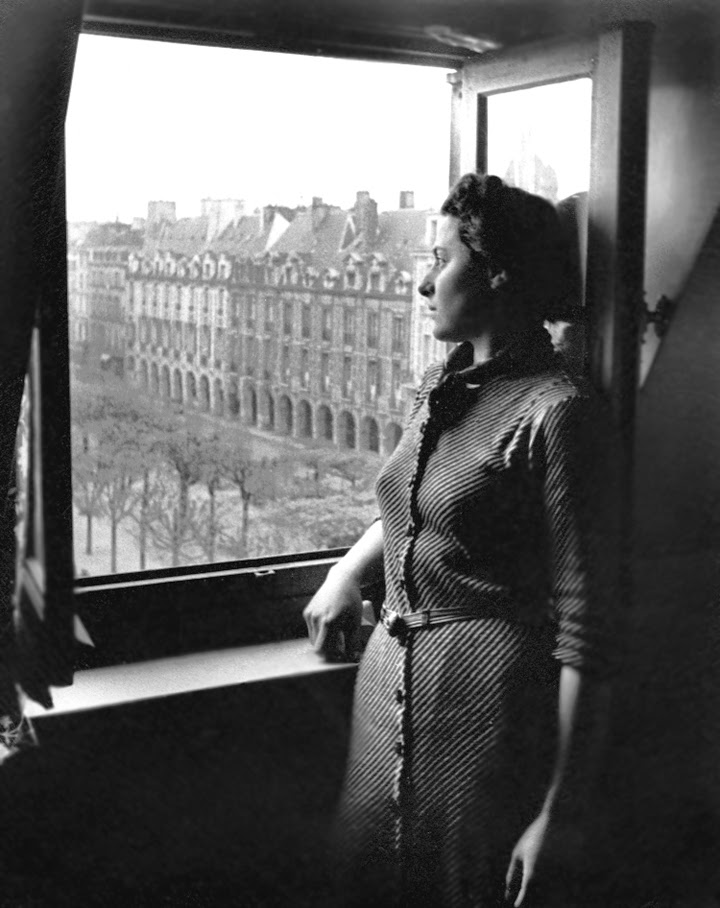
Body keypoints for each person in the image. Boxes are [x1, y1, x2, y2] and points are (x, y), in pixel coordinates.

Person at [304, 173, 614, 907]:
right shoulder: (439, 387)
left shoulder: (556, 412)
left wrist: (561, 811)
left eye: (441, 261)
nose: (423, 284)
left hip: (486, 711)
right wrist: (346, 572)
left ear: (498, 272)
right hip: (384, 691)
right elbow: (418, 507)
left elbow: (588, 626)